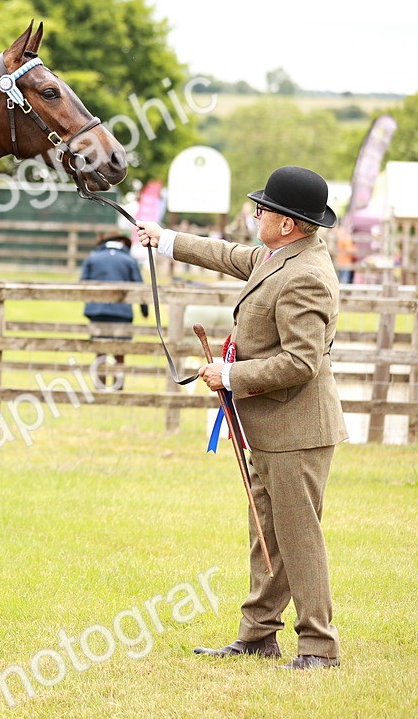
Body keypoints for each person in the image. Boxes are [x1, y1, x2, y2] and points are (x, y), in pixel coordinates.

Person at [136, 165, 346, 671]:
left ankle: (318, 645)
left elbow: (301, 362)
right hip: (271, 428)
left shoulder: (306, 278)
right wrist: (164, 240)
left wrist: (230, 374)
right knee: (267, 534)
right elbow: (228, 255)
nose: (255, 214)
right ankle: (257, 636)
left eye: (263, 208)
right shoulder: (280, 257)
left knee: (298, 537)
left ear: (289, 224)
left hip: (297, 430)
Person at [80, 232, 148, 390]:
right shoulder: (129, 260)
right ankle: (118, 386)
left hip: (97, 311)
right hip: (122, 313)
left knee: (100, 350)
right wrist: (144, 310)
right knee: (120, 350)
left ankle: (100, 385)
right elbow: (139, 287)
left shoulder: (93, 258)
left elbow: (82, 284)